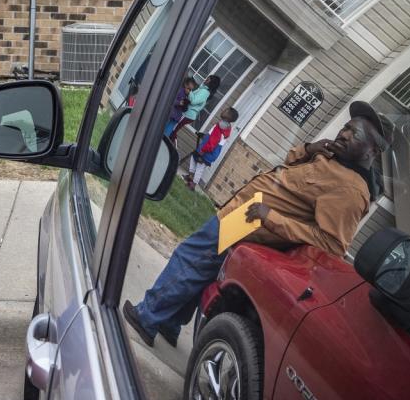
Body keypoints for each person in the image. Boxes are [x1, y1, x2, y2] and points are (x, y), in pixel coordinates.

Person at [123, 101, 387, 347]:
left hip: (250, 223)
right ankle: (170, 322)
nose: (343, 135)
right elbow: (289, 167)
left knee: (191, 258)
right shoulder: (333, 159)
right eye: (345, 128)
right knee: (202, 268)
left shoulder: (351, 189)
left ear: (372, 151)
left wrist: (269, 216)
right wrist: (309, 149)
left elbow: (330, 244)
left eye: (355, 134)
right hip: (244, 214)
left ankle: (147, 317)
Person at [185, 107, 238, 190]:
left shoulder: (220, 127)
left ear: (229, 117)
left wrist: (203, 150)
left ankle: (193, 184)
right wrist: (204, 136)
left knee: (200, 166)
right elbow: (213, 136)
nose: (223, 110)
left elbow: (213, 142)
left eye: (226, 111)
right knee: (194, 157)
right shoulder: (226, 126)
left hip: (208, 151)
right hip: (209, 150)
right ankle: (190, 176)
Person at [169, 75, 219, 142]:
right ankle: (171, 142)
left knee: (173, 129)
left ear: (212, 83)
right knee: (173, 129)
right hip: (187, 114)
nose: (206, 79)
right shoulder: (203, 89)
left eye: (208, 79)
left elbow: (193, 101)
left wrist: (189, 92)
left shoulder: (205, 92)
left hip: (187, 114)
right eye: (207, 78)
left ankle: (170, 145)